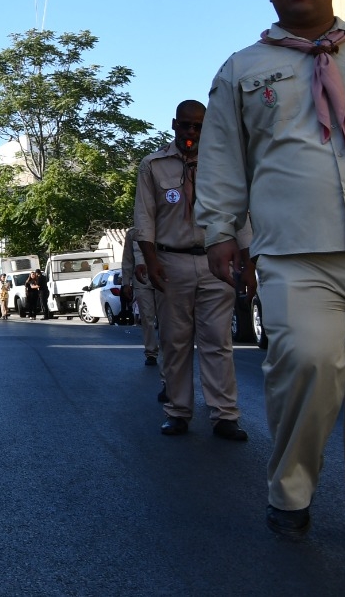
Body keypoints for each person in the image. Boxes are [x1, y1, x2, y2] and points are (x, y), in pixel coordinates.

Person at [195, 0, 345, 542]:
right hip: (295, 250)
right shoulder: (243, 69)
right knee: (306, 363)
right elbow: (222, 157)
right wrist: (220, 231)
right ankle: (291, 489)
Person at [134, 100, 244, 440]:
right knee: (175, 341)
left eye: (198, 126)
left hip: (216, 261)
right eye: (185, 125)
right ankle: (178, 412)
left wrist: (247, 263)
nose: (191, 132)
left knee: (217, 341)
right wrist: (149, 261)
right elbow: (144, 217)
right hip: (172, 263)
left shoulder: (223, 164)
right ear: (174, 125)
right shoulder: (153, 165)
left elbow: (240, 213)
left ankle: (224, 415)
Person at [122, 230, 159, 364]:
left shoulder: (162, 226)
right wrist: (126, 283)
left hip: (163, 278)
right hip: (142, 281)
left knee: (167, 319)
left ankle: (170, 351)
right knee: (147, 318)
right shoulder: (132, 233)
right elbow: (127, 259)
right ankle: (151, 353)